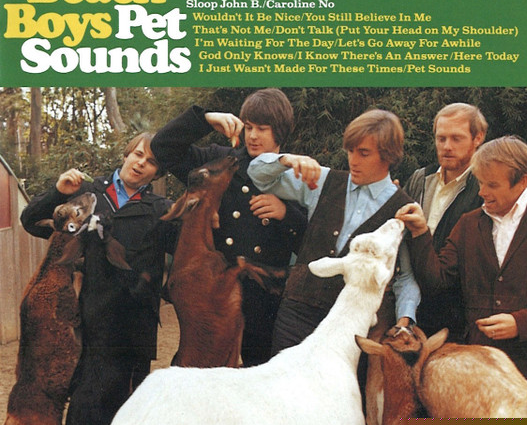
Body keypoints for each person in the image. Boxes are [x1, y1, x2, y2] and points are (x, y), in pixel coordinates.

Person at [398, 135, 527, 403]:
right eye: (481, 182)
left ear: (522, 181)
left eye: (492, 184)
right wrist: (420, 233)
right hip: (480, 372)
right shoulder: (468, 224)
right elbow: (437, 280)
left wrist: (520, 323)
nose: (482, 192)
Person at [21, 132, 177, 425]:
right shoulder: (86, 194)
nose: (141, 163)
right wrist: (58, 192)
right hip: (91, 328)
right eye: (138, 154)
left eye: (151, 161)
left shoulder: (162, 210)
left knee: (127, 418)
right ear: (126, 154)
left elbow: (189, 252)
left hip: (135, 335)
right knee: (85, 413)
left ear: (158, 172)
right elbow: (30, 221)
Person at [150, 88, 307, 366]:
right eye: (249, 127)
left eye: (262, 129)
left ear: (280, 132)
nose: (253, 136)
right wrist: (206, 120)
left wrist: (286, 214)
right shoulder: (221, 161)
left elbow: (309, 242)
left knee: (261, 378)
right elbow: (163, 148)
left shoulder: (295, 173)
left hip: (265, 303)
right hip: (216, 297)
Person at [248, 108, 420, 357]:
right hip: (297, 313)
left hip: (352, 325)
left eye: (363, 153)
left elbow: (405, 277)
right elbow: (258, 176)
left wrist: (404, 321)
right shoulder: (323, 181)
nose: (353, 160)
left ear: (388, 155)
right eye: (350, 151)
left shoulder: (402, 209)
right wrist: (286, 160)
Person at [400, 102, 487, 341]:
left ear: (478, 138)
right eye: (441, 139)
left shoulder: (485, 188)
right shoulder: (420, 178)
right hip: (413, 307)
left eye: (457, 139)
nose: (447, 146)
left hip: (458, 315)